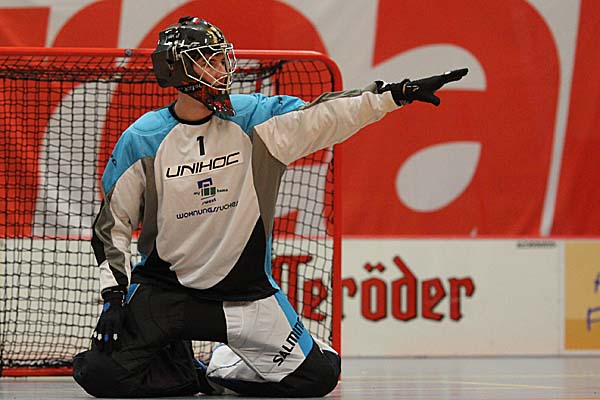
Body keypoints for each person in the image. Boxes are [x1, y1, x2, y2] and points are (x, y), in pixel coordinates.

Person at [72, 16, 468, 398]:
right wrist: (114, 296)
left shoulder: (257, 120)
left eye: (221, 58)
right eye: (208, 61)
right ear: (177, 70)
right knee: (100, 375)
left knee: (319, 378)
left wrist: (395, 95)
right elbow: (112, 226)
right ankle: (180, 365)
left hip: (249, 296)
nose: (223, 69)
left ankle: (219, 367)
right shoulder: (142, 139)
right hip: (164, 294)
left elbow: (325, 114)